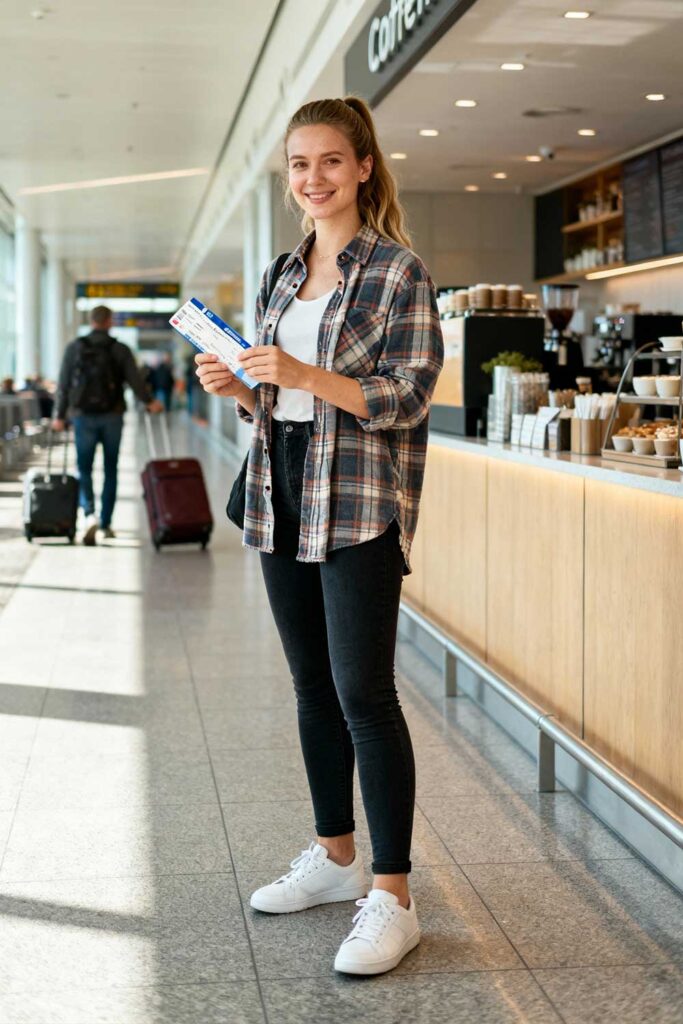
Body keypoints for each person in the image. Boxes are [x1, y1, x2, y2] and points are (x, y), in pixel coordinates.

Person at [196, 96, 443, 976]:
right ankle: (335, 858)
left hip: (358, 499)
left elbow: (409, 396)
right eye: (300, 165)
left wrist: (304, 372)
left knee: (363, 694)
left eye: (330, 161)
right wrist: (241, 386)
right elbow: (281, 397)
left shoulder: (396, 271)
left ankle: (392, 896)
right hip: (280, 489)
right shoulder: (278, 272)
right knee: (309, 687)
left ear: (363, 166)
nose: (313, 179)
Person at [52, 305, 163, 545]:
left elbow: (63, 384)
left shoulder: (75, 348)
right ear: (109, 321)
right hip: (113, 415)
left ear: (91, 321)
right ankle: (106, 523)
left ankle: (88, 514)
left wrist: (59, 416)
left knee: (84, 468)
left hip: (82, 415)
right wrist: (150, 402)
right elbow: (135, 381)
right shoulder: (119, 349)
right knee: (110, 468)